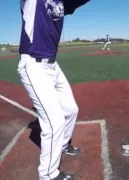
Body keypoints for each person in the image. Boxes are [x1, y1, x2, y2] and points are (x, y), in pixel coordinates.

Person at [18, 0, 90, 179]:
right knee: (54, 122)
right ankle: (48, 175)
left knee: (71, 110)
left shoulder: (62, 2)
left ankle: (64, 144)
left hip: (53, 66)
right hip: (33, 65)